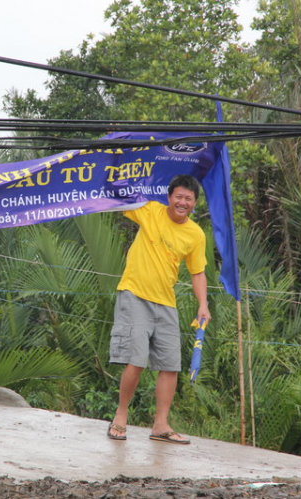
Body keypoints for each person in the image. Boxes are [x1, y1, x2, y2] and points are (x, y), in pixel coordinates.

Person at [106, 174, 211, 445]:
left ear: (194, 204)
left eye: (188, 199)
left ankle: (161, 425)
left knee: (170, 365)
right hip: (135, 295)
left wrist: (203, 305)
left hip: (166, 303)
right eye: (178, 196)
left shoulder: (195, 234)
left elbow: (197, 272)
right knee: (136, 360)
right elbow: (114, 198)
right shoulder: (150, 211)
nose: (182, 202)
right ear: (169, 198)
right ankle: (120, 416)